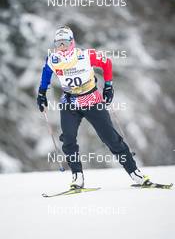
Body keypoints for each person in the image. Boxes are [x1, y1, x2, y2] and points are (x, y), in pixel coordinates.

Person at [37, 25, 150, 189]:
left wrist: (109, 86)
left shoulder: (85, 55)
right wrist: (41, 94)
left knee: (110, 138)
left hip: (92, 101)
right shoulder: (53, 60)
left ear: (72, 42)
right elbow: (45, 76)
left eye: (65, 44)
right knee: (68, 139)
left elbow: (107, 63)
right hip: (70, 103)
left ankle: (135, 174)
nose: (62, 48)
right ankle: (77, 177)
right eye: (58, 44)